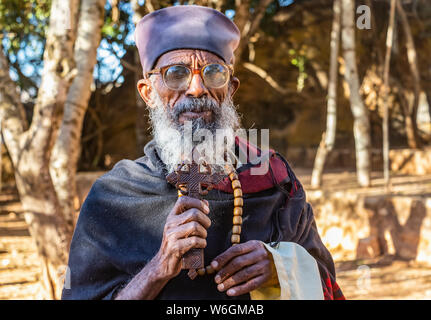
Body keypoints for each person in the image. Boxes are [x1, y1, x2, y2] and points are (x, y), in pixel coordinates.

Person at [62, 5, 344, 300]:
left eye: (213, 73)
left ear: (230, 89)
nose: (197, 88)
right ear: (149, 93)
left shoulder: (273, 182)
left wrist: (280, 268)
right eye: (176, 74)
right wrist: (158, 269)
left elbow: (325, 281)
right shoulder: (113, 196)